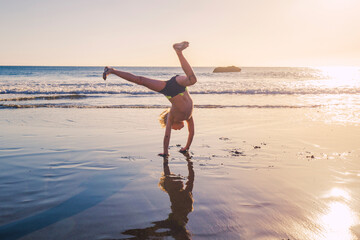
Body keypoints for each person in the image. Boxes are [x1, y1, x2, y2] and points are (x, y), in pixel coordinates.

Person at [103, 41, 197, 157]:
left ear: (169, 121)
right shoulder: (188, 116)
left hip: (170, 88)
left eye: (173, 129)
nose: (176, 130)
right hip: (178, 87)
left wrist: (165, 152)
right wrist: (186, 147)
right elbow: (191, 132)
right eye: (174, 130)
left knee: (141, 80)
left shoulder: (172, 116)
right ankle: (111, 70)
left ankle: (178, 52)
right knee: (192, 80)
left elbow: (167, 135)